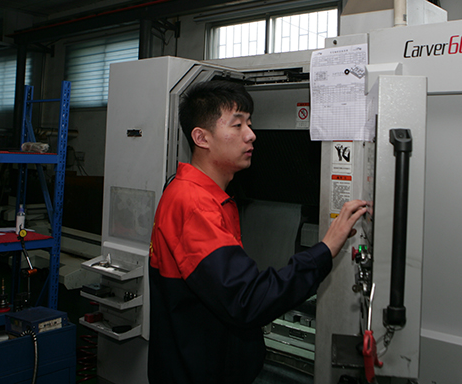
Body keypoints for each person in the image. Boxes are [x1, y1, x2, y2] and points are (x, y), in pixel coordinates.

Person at [148, 79, 369, 384]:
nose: (251, 134)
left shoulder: (198, 194)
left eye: (250, 124)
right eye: (237, 125)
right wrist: (325, 249)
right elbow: (247, 300)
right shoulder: (194, 205)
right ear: (201, 137)